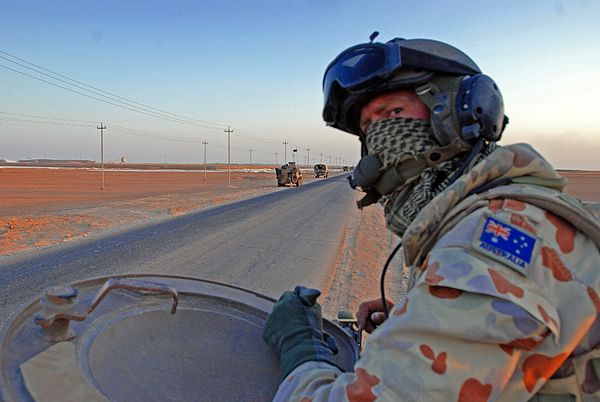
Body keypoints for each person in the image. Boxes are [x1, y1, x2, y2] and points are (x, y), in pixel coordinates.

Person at [263, 34, 600, 401]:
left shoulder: (483, 245)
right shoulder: (511, 210)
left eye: (393, 113)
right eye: (368, 127)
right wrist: (424, 316)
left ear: (463, 112)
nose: (379, 137)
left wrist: (300, 347)